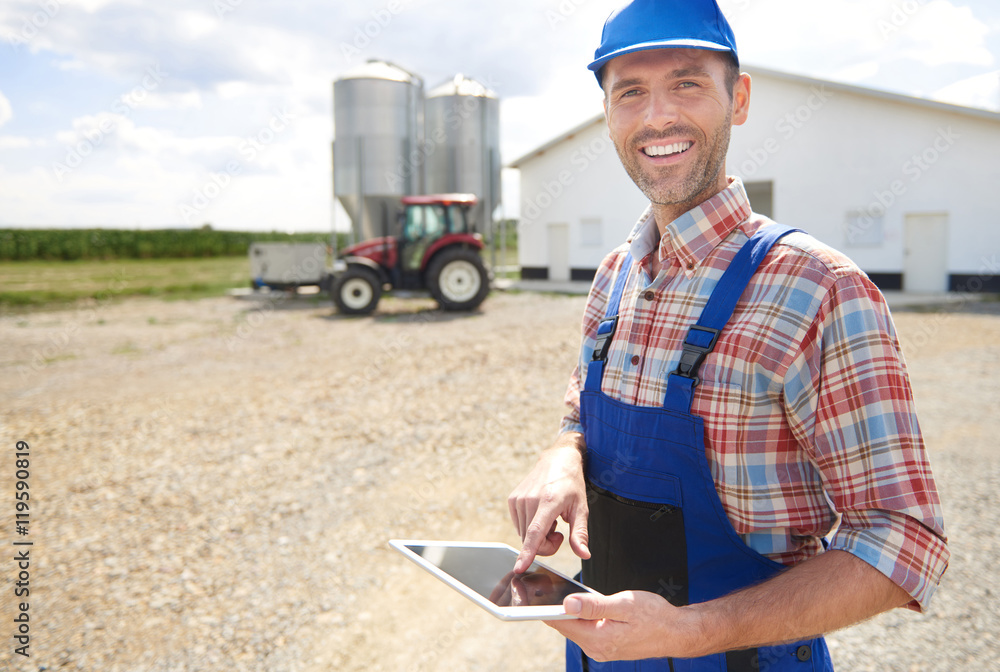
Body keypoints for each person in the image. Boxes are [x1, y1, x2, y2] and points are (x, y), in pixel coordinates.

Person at [507, 1, 950, 670]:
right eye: (630, 92)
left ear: (738, 99)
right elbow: (579, 417)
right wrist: (563, 454)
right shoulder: (613, 278)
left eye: (686, 83)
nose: (657, 116)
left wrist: (691, 632)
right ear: (608, 114)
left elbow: (905, 541)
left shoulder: (818, 289)